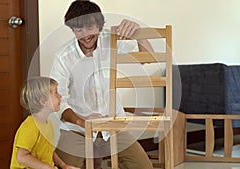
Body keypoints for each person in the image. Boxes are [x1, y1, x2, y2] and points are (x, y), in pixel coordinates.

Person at [50, 1, 154, 168]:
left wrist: (138, 33)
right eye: (78, 30)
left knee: (144, 167)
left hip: (113, 126)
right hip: (77, 129)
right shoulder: (63, 57)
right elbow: (59, 101)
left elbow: (148, 58)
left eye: (90, 28)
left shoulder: (111, 41)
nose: (85, 35)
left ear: (99, 25)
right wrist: (82, 121)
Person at [10, 77, 80, 169]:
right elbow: (22, 157)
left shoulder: (47, 123)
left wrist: (64, 165)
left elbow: (48, 151)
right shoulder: (30, 126)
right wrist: (47, 167)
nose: (60, 96)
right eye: (56, 93)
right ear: (43, 101)